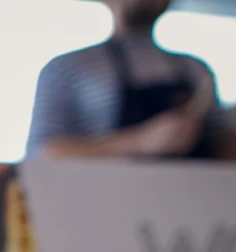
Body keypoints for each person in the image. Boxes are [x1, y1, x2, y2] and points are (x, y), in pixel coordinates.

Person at [26, 0, 236, 160]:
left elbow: (225, 151)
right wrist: (140, 142)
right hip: (102, 198)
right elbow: (41, 153)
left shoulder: (197, 70)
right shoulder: (67, 67)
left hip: (192, 200)